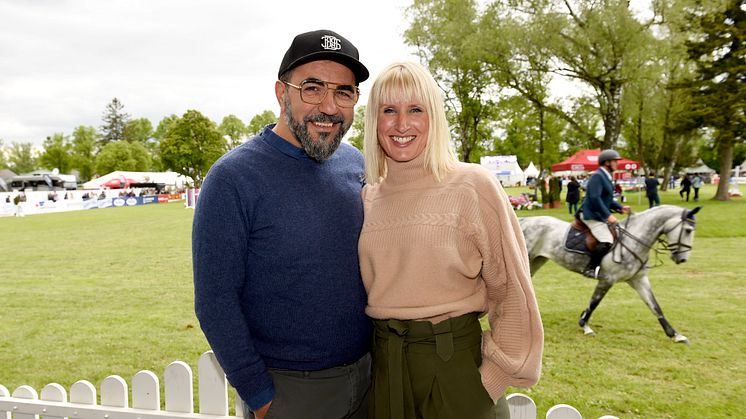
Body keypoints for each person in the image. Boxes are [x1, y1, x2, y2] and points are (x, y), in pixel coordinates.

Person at [192, 30, 372, 419]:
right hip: (291, 392)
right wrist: (261, 396)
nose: (329, 105)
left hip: (371, 377)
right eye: (312, 88)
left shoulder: (356, 164)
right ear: (281, 92)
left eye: (344, 91)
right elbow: (215, 300)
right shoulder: (233, 178)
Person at [358, 62, 543, 419]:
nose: (401, 124)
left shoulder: (473, 186)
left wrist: (486, 383)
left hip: (455, 370)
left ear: (435, 117)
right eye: (388, 111)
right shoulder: (369, 196)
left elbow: (513, 292)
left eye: (415, 109)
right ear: (374, 120)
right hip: (385, 370)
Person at [578, 149, 631, 280]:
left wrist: (620, 207)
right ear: (606, 162)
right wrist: (608, 215)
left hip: (598, 214)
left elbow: (606, 199)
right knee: (606, 240)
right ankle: (590, 268)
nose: (617, 164)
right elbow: (595, 198)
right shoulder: (598, 176)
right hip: (590, 214)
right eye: (614, 161)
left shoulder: (606, 176)